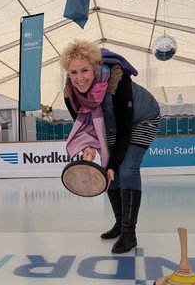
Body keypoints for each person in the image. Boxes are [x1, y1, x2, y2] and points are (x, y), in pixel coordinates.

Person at [61, 39, 161, 254]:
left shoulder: (117, 81)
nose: (79, 78)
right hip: (112, 124)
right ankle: (119, 222)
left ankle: (129, 232)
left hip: (143, 119)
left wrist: (112, 164)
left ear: (96, 67)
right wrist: (90, 146)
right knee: (109, 167)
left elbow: (126, 131)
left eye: (85, 70)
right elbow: (84, 125)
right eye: (73, 72)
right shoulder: (71, 95)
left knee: (125, 168)